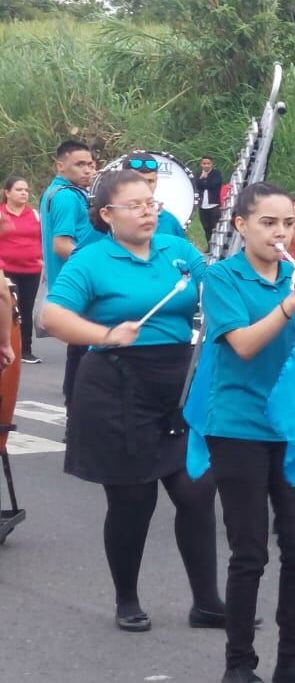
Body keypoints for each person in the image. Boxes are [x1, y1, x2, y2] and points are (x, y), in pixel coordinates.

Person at [39, 168, 224, 633]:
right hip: (116, 386)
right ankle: (127, 598)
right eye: (137, 205)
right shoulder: (90, 260)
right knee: (133, 500)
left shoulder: (177, 250)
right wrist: (105, 334)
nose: (149, 211)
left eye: (152, 202)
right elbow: (52, 315)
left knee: (197, 493)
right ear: (107, 214)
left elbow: (216, 288)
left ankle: (207, 602)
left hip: (176, 384)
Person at [193, 181, 295, 683]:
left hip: (294, 425)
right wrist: (292, 300)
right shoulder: (221, 277)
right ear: (241, 226)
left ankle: (291, 661)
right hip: (237, 427)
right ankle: (239, 663)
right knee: (249, 550)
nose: (281, 233)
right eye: (268, 223)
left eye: (288, 224)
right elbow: (246, 345)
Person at [40, 139, 99, 401]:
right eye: (80, 165)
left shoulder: (58, 192)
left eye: (90, 164)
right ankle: (76, 413)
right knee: (84, 354)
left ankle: (73, 410)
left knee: (78, 351)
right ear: (60, 166)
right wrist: (99, 265)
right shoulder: (66, 197)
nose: (87, 170)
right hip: (79, 286)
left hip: (70, 285)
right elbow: (62, 245)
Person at [0, 176, 44, 363]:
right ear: (7, 192)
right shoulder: (1, 214)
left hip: (31, 269)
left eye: (26, 190)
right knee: (7, 309)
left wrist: (43, 262)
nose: (24, 193)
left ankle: (25, 350)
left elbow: (42, 239)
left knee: (26, 310)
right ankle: (5, 347)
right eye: (19, 189)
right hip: (6, 270)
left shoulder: (34, 214)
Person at [120, 152, 189, 239]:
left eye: (150, 181)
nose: (144, 186)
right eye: (137, 180)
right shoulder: (109, 220)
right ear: (122, 182)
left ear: (156, 181)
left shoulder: (169, 221)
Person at [192, 156, 224, 243]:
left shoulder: (216, 173)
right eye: (204, 163)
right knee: (206, 227)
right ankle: (209, 245)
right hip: (202, 205)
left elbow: (213, 185)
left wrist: (204, 180)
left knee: (215, 227)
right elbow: (195, 185)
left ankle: (216, 244)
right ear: (201, 164)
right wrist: (202, 178)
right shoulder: (198, 174)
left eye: (208, 163)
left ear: (212, 164)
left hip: (214, 205)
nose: (206, 165)